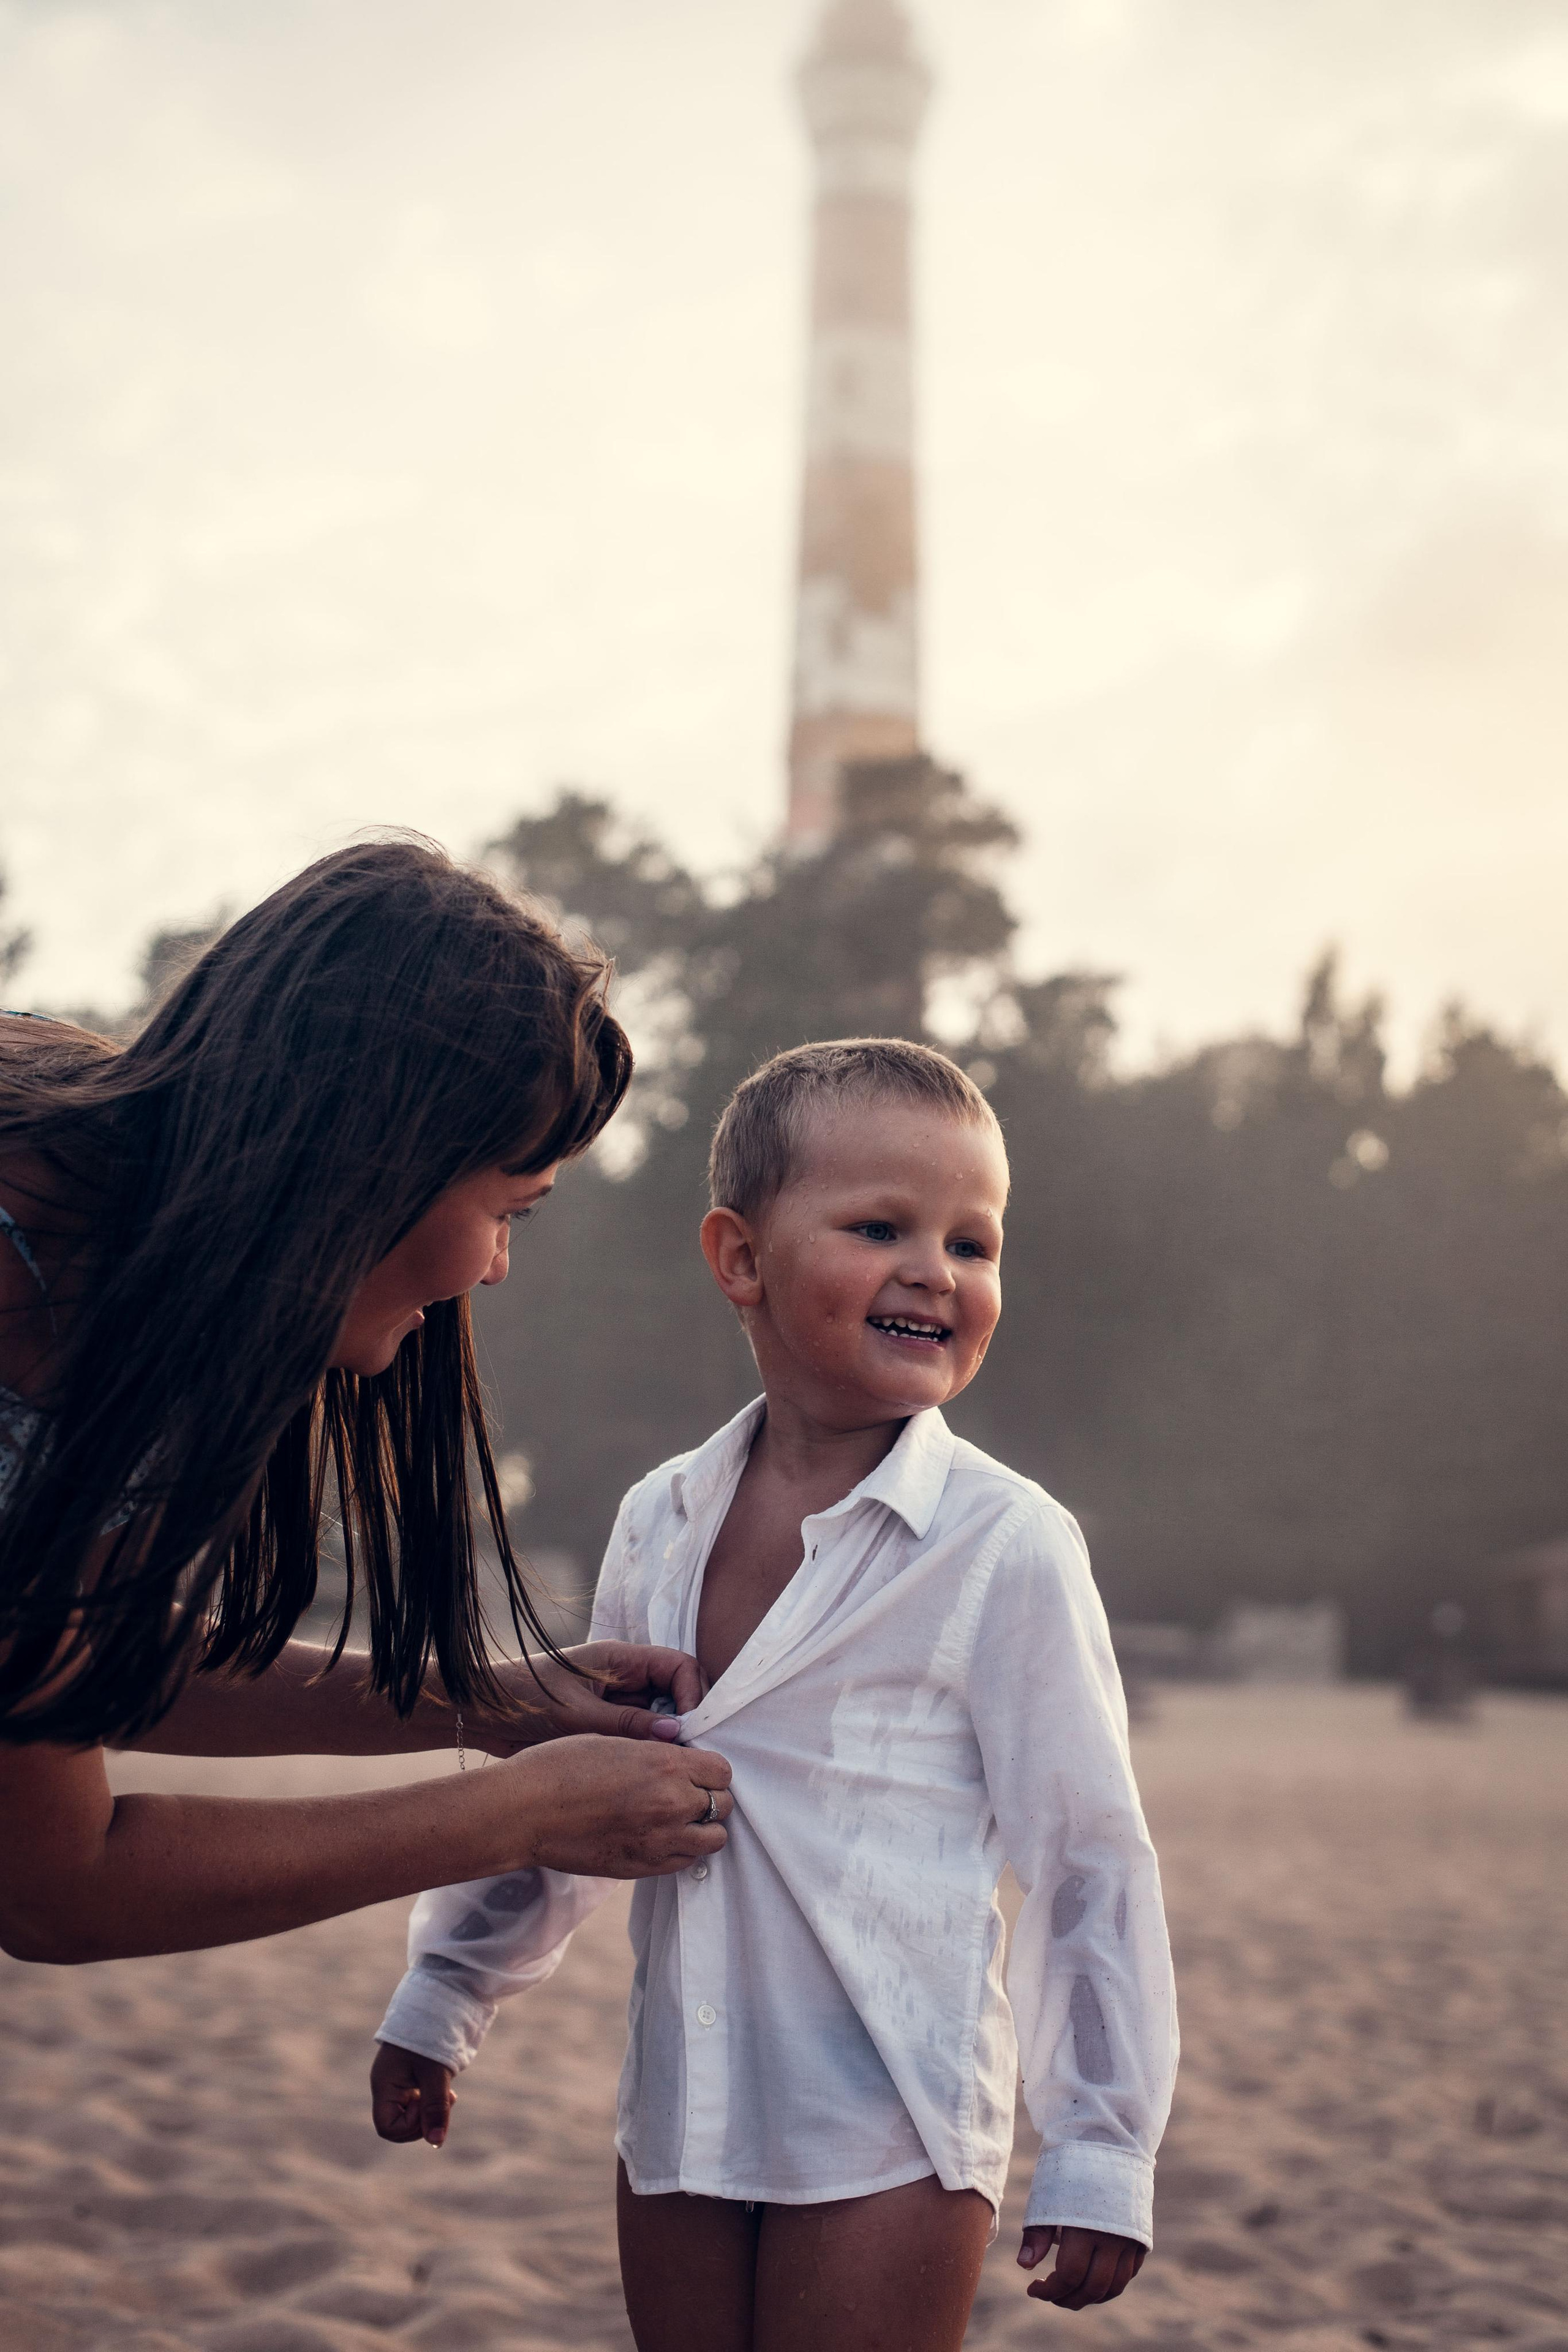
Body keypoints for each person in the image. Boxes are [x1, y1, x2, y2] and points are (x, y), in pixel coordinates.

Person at [372, 1038, 1177, 2352]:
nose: (936, 1270)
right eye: (880, 1227)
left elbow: (1086, 1859)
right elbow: (567, 1788)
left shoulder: (1004, 1544)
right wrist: (444, 1995)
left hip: (891, 2124)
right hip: (680, 2107)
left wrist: (1099, 2147)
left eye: (973, 1244)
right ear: (740, 1258)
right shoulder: (662, 1517)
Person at [0, 839, 731, 1968]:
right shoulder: (33, 1278)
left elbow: (76, 1665)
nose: (496, 1269)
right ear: (379, 1159)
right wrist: (522, 1814)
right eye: (510, 1211)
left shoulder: (139, 1242)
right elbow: (54, 1886)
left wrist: (487, 1703)